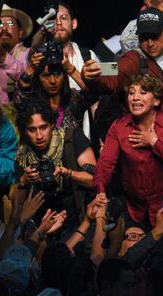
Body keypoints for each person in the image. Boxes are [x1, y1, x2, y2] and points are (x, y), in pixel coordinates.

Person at [93, 74, 163, 247]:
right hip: (137, 208)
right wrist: (101, 190)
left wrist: (154, 142)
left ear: (156, 100)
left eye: (143, 92)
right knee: (138, 255)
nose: (136, 97)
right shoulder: (120, 127)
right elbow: (105, 164)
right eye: (131, 93)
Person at [82, 7, 163, 138]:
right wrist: (92, 73)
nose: (150, 43)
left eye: (155, 36)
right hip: (154, 147)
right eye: (145, 37)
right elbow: (112, 70)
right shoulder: (134, 59)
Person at [15, 97, 97, 236]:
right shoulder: (23, 155)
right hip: (41, 228)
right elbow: (17, 206)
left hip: (76, 221)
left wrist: (67, 173)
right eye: (32, 130)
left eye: (43, 127)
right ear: (24, 130)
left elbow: (95, 180)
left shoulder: (71, 138)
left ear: (52, 124)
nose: (39, 135)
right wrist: (24, 180)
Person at [14, 51, 97, 130]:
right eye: (46, 75)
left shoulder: (73, 98)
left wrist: (71, 70)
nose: (52, 81)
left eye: (57, 74)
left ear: (64, 76)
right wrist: (30, 69)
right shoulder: (32, 101)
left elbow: (92, 95)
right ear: (38, 78)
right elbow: (20, 95)